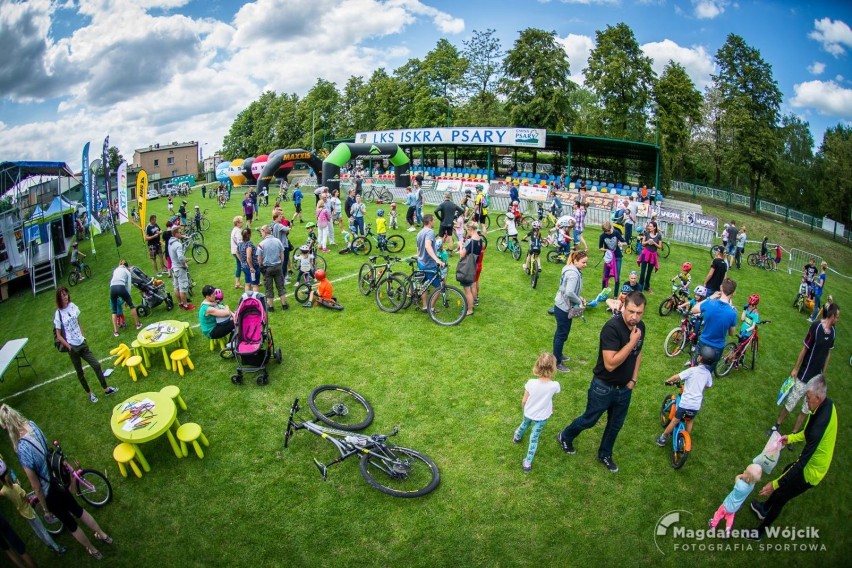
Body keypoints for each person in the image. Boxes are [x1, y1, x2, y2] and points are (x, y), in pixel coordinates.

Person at [0, 406, 113, 560]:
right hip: (57, 478)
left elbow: (35, 486)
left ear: (6, 426)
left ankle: (93, 550)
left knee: (70, 524)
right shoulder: (32, 425)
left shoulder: (22, 449)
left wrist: (45, 510)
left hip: (48, 491)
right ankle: (103, 535)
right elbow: (46, 447)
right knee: (78, 510)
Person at [557, 291, 647, 473]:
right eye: (631, 311)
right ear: (623, 307)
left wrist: (633, 380)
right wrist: (631, 342)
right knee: (589, 420)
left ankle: (604, 454)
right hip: (603, 387)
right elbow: (610, 364)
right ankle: (565, 436)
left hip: (625, 388)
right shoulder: (612, 328)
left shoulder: (640, 328)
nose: (634, 317)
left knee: (615, 425)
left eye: (639, 313)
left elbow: (638, 354)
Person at [749, 375, 836, 541]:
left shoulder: (819, 426)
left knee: (781, 495)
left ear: (818, 398)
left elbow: (802, 464)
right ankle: (764, 508)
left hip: (811, 472)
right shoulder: (825, 405)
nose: (806, 401)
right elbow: (807, 432)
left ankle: (759, 532)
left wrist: (774, 484)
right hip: (809, 464)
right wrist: (791, 437)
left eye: (808, 398)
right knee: (787, 470)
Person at [768, 303, 838, 439]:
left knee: (806, 409)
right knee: (791, 402)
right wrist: (795, 368)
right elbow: (804, 348)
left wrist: (823, 374)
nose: (838, 319)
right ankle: (776, 425)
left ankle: (794, 434)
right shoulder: (816, 327)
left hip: (816, 380)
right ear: (832, 316)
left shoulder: (833, 333)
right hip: (804, 374)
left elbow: (828, 354)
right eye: (837, 317)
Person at [1, 457, 66, 554]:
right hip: (29, 510)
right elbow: (26, 499)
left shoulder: (4, 491)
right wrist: (28, 498)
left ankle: (48, 545)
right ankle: (57, 548)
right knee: (43, 530)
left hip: (22, 512)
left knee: (37, 530)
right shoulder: (16, 487)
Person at [655, 344, 715, 446]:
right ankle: (685, 437)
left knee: (674, 421)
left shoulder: (692, 370)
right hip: (696, 405)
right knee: (690, 420)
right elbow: (709, 385)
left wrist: (668, 381)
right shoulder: (708, 374)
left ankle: (662, 438)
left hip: (686, 403)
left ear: (699, 358)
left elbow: (677, 377)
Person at [513, 353, 561, 473]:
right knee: (534, 438)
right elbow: (549, 397)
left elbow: (524, 400)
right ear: (553, 368)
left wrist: (525, 409)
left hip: (529, 412)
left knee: (524, 424)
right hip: (542, 416)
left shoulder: (531, 383)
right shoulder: (555, 386)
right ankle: (527, 463)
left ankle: (517, 437)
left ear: (538, 366)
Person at [691, 277, 738, 372]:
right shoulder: (732, 313)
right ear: (733, 293)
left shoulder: (710, 303)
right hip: (717, 348)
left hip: (703, 342)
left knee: (695, 369)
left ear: (721, 288)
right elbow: (732, 333)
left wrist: (710, 297)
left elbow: (694, 309)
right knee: (707, 373)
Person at [552, 251, 587, 373]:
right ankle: (557, 362)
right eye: (583, 262)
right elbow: (569, 292)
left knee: (561, 333)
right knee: (562, 334)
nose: (585, 264)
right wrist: (579, 301)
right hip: (563, 308)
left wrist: (579, 297)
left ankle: (557, 354)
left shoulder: (569, 268)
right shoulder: (573, 274)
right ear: (575, 261)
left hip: (560, 305)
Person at [709, 464, 763, 538]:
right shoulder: (752, 486)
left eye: (745, 471)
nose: (744, 471)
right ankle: (727, 530)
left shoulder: (740, 485)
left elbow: (737, 477)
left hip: (726, 505)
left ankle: (713, 525)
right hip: (735, 508)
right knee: (730, 517)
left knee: (718, 514)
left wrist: (741, 475)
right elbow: (750, 480)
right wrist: (746, 475)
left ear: (747, 479)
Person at [415, 214, 445, 311]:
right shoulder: (430, 232)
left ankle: (424, 306)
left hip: (421, 262)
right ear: (430, 221)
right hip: (429, 264)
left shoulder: (419, 233)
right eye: (434, 220)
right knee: (439, 287)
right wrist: (437, 259)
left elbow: (418, 249)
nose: (435, 222)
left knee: (424, 285)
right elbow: (428, 246)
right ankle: (431, 308)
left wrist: (419, 258)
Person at [257, 224, 288, 311]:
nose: (261, 234)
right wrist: (281, 264)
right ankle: (284, 304)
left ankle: (270, 307)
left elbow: (259, 258)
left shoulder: (261, 244)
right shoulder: (278, 241)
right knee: (280, 286)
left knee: (269, 288)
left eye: (261, 232)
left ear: (264, 232)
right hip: (278, 266)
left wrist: (261, 266)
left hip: (267, 268)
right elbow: (282, 254)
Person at [108, 259, 141, 336]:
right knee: (132, 306)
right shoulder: (127, 271)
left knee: (114, 310)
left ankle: (116, 331)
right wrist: (127, 299)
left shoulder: (115, 270)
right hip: (120, 286)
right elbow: (128, 286)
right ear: (127, 266)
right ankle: (137, 324)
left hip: (112, 288)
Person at [168, 226, 195, 309]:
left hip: (174, 268)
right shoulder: (178, 244)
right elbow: (181, 258)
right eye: (180, 232)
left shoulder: (170, 242)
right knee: (183, 287)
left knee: (176, 287)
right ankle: (186, 305)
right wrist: (184, 264)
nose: (181, 233)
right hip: (179, 268)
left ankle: (180, 303)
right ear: (176, 234)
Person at [457, 221, 482, 316]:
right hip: (475, 264)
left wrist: (460, 244)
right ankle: (471, 305)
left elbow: (462, 254)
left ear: (470, 229)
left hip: (468, 267)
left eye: (466, 230)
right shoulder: (479, 239)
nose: (466, 232)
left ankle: (469, 309)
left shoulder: (471, 241)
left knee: (467, 290)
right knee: (472, 286)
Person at [599, 221, 626, 294]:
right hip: (608, 258)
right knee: (605, 276)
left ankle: (615, 295)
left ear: (610, 228)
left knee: (617, 276)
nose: (607, 232)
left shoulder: (616, 232)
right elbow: (600, 248)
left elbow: (625, 242)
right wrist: (606, 250)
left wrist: (621, 244)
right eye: (605, 231)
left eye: (608, 230)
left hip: (617, 257)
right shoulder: (602, 236)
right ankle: (603, 293)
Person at [637, 220, 661, 293]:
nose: (649, 227)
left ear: (654, 227)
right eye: (649, 226)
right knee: (643, 271)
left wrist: (654, 243)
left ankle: (647, 287)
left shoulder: (659, 235)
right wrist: (648, 242)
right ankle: (640, 287)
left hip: (653, 255)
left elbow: (660, 247)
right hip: (645, 254)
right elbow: (643, 243)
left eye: (650, 226)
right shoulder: (646, 233)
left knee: (649, 272)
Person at [236, 227, 259, 293]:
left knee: (247, 283)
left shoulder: (240, 243)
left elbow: (237, 252)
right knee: (255, 285)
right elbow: (248, 257)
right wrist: (251, 267)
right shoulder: (249, 244)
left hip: (244, 266)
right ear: (249, 235)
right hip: (252, 268)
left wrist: (241, 261)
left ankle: (247, 300)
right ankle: (255, 300)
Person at [230, 216, 244, 289]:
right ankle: (251, 281)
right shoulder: (238, 231)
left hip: (234, 251)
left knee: (239, 266)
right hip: (238, 252)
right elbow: (240, 243)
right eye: (241, 222)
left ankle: (237, 283)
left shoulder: (235, 229)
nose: (243, 223)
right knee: (245, 265)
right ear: (237, 223)